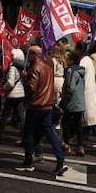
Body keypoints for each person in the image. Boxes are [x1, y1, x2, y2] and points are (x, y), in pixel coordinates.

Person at [16, 44, 68, 176]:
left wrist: (24, 79)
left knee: (28, 133)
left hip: (36, 105)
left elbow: (31, 88)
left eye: (30, 54)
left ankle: (28, 161)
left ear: (34, 55)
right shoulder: (48, 66)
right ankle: (60, 158)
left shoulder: (35, 68)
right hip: (47, 105)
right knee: (49, 133)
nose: (28, 57)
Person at [0, 48, 26, 143]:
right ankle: (25, 136)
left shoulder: (13, 67)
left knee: (4, 116)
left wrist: (4, 88)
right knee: (21, 116)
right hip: (20, 93)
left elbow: (10, 82)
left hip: (12, 94)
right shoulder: (22, 67)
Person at [61, 49, 88, 157]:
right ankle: (80, 146)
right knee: (78, 124)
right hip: (80, 100)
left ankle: (67, 144)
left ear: (71, 60)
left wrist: (64, 99)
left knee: (65, 122)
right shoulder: (81, 70)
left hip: (71, 101)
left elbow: (70, 87)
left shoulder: (70, 71)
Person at [80, 47, 96, 149]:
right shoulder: (90, 61)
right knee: (90, 118)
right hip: (92, 89)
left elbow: (80, 74)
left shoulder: (83, 61)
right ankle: (83, 138)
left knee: (91, 118)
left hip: (86, 91)